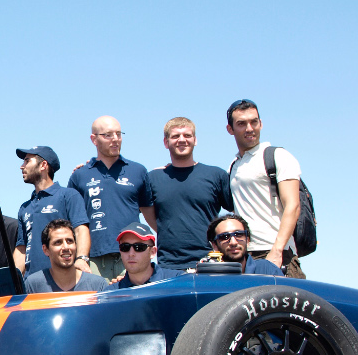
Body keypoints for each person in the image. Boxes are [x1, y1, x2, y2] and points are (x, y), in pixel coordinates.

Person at [226, 99, 305, 278]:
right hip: (245, 256)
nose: (249, 128)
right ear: (230, 129)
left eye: (254, 122)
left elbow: (293, 206)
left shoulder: (278, 156)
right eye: (241, 124)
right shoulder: (233, 165)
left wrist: (277, 251)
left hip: (276, 253)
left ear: (260, 124)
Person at [66, 116, 152, 281]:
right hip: (93, 260)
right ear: (94, 139)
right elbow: (72, 221)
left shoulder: (138, 171)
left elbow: (150, 215)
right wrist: (80, 257)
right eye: (108, 135)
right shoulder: (79, 175)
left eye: (118, 134)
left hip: (132, 254)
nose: (115, 139)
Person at [145, 117, 233, 270]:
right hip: (169, 265)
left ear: (195, 140)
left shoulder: (216, 175)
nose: (182, 140)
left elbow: (235, 211)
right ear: (166, 142)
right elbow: (149, 215)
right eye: (175, 136)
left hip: (210, 261)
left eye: (187, 135)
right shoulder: (153, 179)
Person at [15, 146, 89, 277]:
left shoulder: (68, 196)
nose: (22, 166)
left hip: (63, 281)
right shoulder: (24, 207)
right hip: (31, 283)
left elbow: (80, 229)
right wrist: (12, 279)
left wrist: (82, 259)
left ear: (43, 165)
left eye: (27, 161)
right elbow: (22, 249)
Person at [23, 220, 106, 293]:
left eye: (70, 241)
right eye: (58, 242)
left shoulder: (98, 286)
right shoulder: (33, 286)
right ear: (46, 250)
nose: (66, 247)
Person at [206, 214, 285, 276]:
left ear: (248, 240)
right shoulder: (208, 276)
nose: (233, 242)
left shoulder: (267, 271)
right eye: (224, 237)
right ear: (214, 245)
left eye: (239, 234)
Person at [113, 222, 183, 288]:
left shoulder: (178, 281)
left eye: (139, 247)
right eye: (125, 247)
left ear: (152, 252)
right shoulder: (112, 292)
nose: (131, 254)